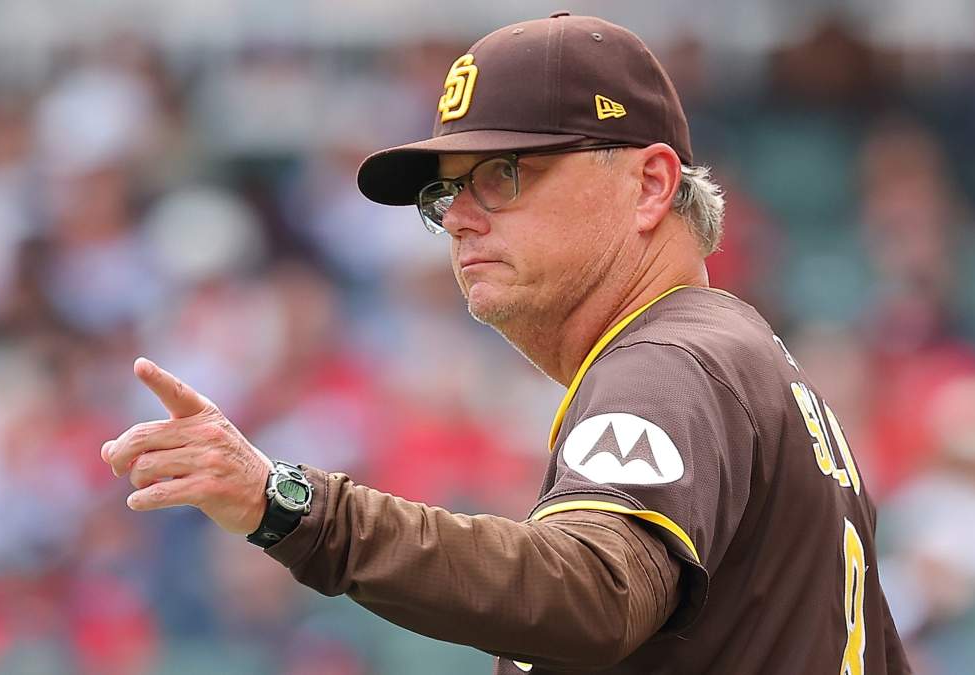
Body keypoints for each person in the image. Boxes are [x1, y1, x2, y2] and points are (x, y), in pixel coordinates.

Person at [102, 12, 911, 674]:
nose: (457, 216)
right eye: (447, 190)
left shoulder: (668, 360)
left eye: (502, 173)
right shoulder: (733, 359)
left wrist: (296, 508)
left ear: (651, 185)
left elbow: (599, 592)